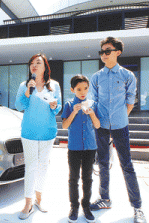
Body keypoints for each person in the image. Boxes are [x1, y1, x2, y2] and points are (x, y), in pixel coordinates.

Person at [90, 36, 146, 223]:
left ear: (117, 52)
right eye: (102, 52)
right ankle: (105, 199)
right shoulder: (96, 77)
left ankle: (137, 207)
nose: (103, 55)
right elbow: (93, 101)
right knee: (103, 164)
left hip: (121, 126)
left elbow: (130, 102)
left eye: (107, 51)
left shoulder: (128, 76)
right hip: (101, 126)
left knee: (127, 165)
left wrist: (120, 117)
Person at [15, 53, 62, 220]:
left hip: (48, 132)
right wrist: (28, 91)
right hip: (29, 132)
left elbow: (58, 109)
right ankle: (28, 203)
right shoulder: (24, 85)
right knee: (31, 167)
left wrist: (54, 105)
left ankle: (39, 199)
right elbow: (19, 105)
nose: (34, 65)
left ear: (45, 67)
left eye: (38, 62)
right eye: (32, 63)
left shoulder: (54, 85)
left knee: (43, 166)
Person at [61, 75, 100, 223]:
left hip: (90, 147)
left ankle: (86, 206)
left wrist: (91, 114)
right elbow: (64, 126)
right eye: (78, 89)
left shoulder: (93, 104)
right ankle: (74, 206)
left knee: (88, 179)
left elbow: (97, 125)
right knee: (73, 178)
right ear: (72, 90)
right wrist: (74, 112)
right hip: (74, 148)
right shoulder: (69, 105)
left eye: (85, 88)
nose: (82, 92)